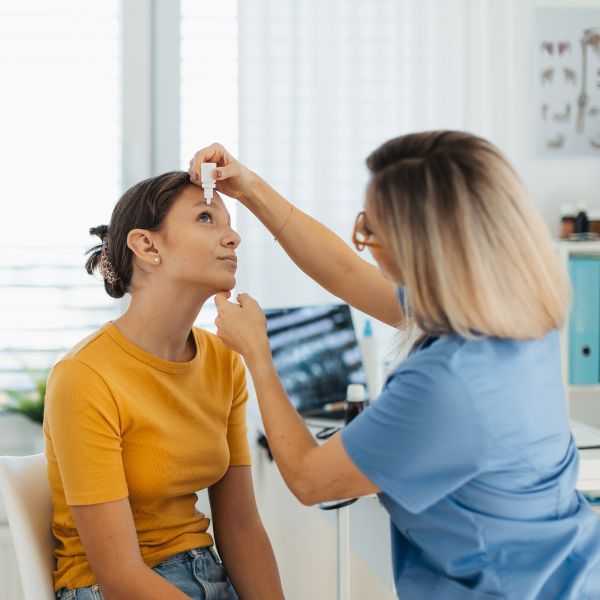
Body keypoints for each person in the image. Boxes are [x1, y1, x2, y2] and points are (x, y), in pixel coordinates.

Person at [189, 132, 600, 599]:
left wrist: (258, 355)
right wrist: (249, 188)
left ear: (420, 248)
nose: (361, 242)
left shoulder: (447, 384)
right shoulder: (513, 313)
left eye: (370, 229)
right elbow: (346, 272)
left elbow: (309, 478)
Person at [44, 171, 284, 600]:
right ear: (147, 245)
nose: (233, 238)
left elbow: (242, 528)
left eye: (229, 223)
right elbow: (120, 576)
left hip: (208, 572)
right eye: (207, 219)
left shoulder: (224, 360)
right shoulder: (84, 376)